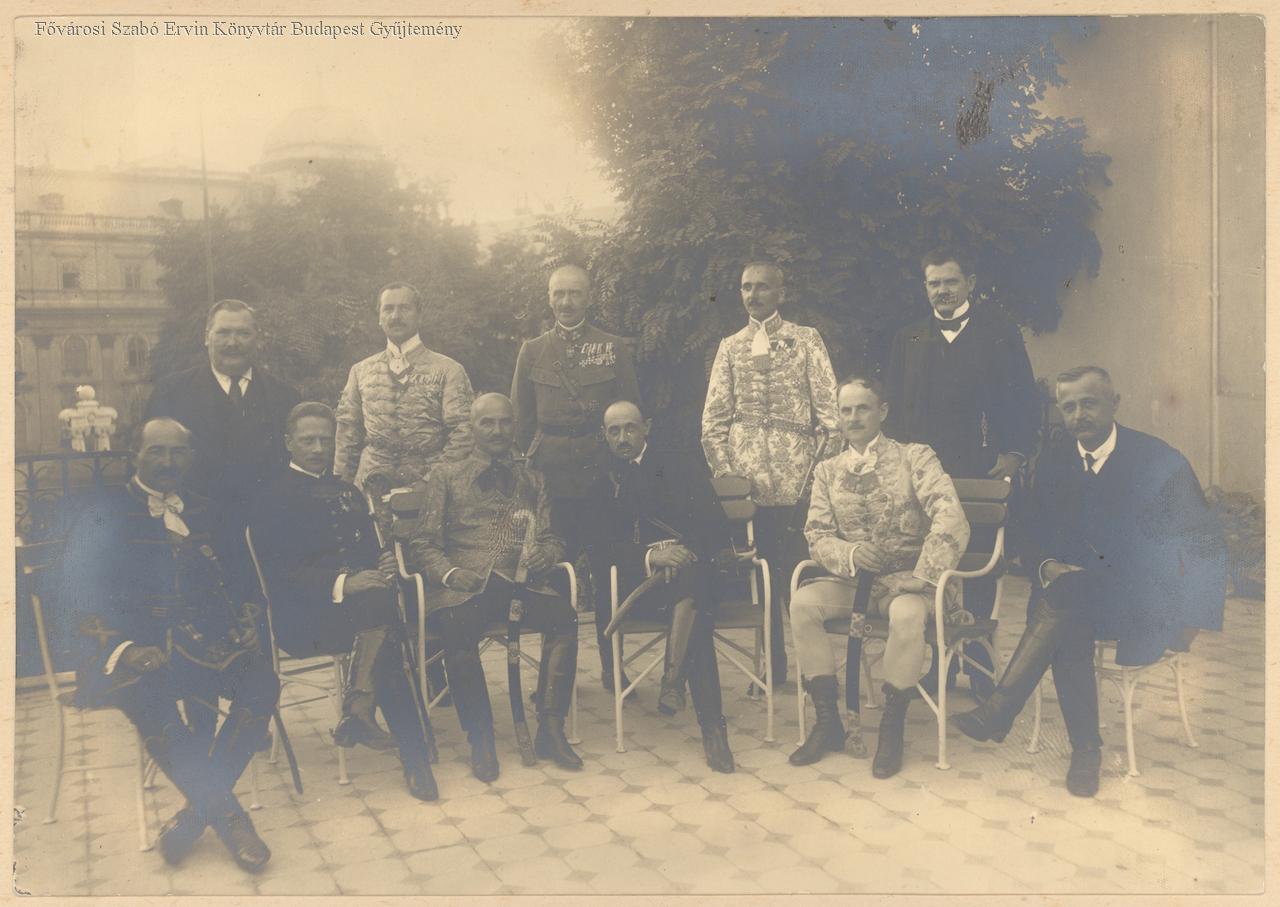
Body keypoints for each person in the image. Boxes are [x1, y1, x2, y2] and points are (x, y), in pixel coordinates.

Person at [954, 366, 1226, 796]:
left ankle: (1001, 712)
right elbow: (1029, 528)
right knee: (1069, 608)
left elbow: (1204, 541)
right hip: (1069, 600)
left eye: (1089, 403)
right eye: (1069, 407)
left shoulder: (1158, 460)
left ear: (1114, 403)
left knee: (1065, 609)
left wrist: (1190, 623)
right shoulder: (1052, 460)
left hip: (1138, 601)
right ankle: (1085, 750)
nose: (1079, 415)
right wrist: (1045, 565)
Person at [61, 418, 280, 872]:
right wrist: (124, 648)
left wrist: (246, 622)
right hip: (128, 651)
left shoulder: (206, 511)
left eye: (177, 452)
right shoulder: (104, 513)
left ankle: (193, 816)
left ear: (191, 457)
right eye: (156, 451)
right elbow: (78, 595)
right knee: (150, 695)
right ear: (135, 455)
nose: (167, 461)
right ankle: (232, 820)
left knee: (261, 682)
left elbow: (240, 581)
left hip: (204, 645)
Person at [250, 402, 438, 802]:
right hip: (307, 620)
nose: (318, 449)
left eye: (325, 440)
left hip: (362, 613)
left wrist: (382, 562)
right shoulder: (271, 497)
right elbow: (280, 572)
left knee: (380, 617)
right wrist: (344, 583)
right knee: (384, 621)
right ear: (288, 442)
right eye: (308, 441)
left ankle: (364, 715)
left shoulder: (348, 491)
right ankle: (409, 753)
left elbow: (369, 551)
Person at [789, 378, 969, 778]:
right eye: (846, 410)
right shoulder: (827, 471)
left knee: (906, 614)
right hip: (854, 582)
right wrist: (851, 553)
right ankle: (827, 721)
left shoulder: (915, 458)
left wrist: (924, 575)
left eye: (863, 408)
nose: (853, 418)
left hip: (908, 580)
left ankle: (892, 728)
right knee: (802, 604)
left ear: (882, 412)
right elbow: (817, 535)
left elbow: (950, 515)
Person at [882, 248, 1039, 697]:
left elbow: (1025, 401)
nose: (942, 291)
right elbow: (894, 408)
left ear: (970, 283)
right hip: (924, 476)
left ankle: (981, 667)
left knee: (977, 567)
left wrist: (1014, 455)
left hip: (980, 469)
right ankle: (940, 667)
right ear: (925, 288)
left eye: (950, 282)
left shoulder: (999, 334)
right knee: (931, 564)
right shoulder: (909, 338)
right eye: (934, 283)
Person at [406, 393, 584, 782]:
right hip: (465, 588)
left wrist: (546, 555)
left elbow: (553, 538)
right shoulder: (446, 476)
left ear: (514, 427)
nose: (497, 430)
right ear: (471, 428)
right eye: (487, 422)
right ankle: (481, 738)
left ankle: (551, 728)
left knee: (565, 618)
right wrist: (450, 574)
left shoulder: (533, 479)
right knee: (457, 628)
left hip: (519, 586)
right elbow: (422, 544)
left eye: (504, 422)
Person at [144, 299, 299, 739]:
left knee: (257, 625)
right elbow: (151, 464)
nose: (233, 342)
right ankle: (203, 732)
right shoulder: (173, 393)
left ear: (257, 339)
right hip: (196, 536)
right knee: (203, 631)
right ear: (206, 337)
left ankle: (253, 719)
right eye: (224, 332)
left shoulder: (283, 395)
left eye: (242, 333)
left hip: (261, 537)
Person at [701, 261, 840, 687]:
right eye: (746, 287)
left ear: (781, 292)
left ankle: (814, 673)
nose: (753, 295)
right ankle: (771, 668)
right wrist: (730, 484)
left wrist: (815, 481)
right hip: (749, 491)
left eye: (763, 287)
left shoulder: (806, 340)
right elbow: (712, 424)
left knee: (799, 578)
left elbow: (832, 421)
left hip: (799, 487)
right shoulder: (730, 347)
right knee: (759, 580)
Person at [581, 400, 736, 772]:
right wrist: (652, 556)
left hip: (691, 578)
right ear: (604, 435)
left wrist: (682, 551)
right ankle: (706, 722)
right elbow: (597, 549)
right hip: (639, 591)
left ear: (646, 427)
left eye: (630, 428)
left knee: (693, 587)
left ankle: (683, 694)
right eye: (614, 431)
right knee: (696, 618)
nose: (623, 438)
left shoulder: (680, 465)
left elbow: (714, 525)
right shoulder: (600, 479)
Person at [511, 264, 641, 692]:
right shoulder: (532, 351)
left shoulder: (613, 347)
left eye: (574, 293)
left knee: (609, 576)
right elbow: (521, 422)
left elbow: (630, 412)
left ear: (589, 296)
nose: (565, 302)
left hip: (602, 479)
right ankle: (554, 676)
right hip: (551, 482)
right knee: (551, 577)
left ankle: (612, 667)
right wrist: (533, 476)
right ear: (548, 297)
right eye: (558, 294)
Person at [334, 281, 475, 491]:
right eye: (388, 309)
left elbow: (463, 433)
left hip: (430, 484)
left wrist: (431, 481)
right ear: (379, 318)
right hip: (370, 484)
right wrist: (342, 489)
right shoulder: (359, 371)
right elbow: (347, 436)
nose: (395, 316)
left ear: (420, 315)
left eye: (404, 308)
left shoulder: (449, 370)